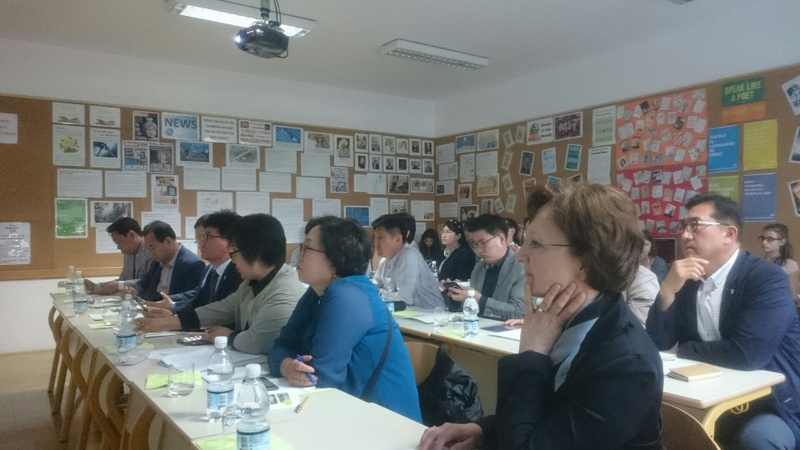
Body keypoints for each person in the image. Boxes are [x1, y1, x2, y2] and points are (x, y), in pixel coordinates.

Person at [420, 183, 663, 450]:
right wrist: (483, 431)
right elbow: (553, 419)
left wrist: (531, 353)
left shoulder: (627, 365)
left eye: (535, 244)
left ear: (585, 260)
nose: (521, 255)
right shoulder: (570, 319)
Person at [646, 192, 800, 449]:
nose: (685, 235)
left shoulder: (766, 278)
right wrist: (668, 290)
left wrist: (684, 350)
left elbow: (747, 355)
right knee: (646, 421)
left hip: (770, 401)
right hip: (705, 393)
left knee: (758, 440)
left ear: (729, 234)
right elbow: (658, 343)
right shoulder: (687, 278)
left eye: (695, 225)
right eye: (683, 226)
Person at [268, 217, 421, 421]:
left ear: (334, 261)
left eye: (307, 247)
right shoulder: (316, 292)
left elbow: (321, 377)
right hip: (345, 410)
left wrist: (288, 364)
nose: (299, 255)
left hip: (386, 422)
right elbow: (280, 346)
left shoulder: (347, 295)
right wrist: (286, 366)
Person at [136, 214, 306, 354]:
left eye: (234, 252)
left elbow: (257, 342)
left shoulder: (285, 290)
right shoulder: (251, 283)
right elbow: (221, 309)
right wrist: (165, 323)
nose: (233, 260)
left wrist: (228, 336)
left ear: (254, 252)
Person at [145, 211, 243, 314]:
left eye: (206, 237)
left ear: (228, 241)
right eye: (200, 238)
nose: (201, 244)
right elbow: (198, 300)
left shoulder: (238, 273)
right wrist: (171, 310)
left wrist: (172, 316)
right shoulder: (211, 269)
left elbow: (221, 313)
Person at [445, 214, 525, 321]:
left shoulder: (521, 267)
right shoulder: (479, 268)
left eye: (483, 243)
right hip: (480, 327)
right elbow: (471, 308)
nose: (479, 250)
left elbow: (519, 312)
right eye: (475, 244)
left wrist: (478, 299)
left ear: (501, 239)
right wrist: (455, 297)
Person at [371, 213, 443, 308]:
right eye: (375, 237)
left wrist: (381, 292)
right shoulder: (385, 261)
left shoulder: (410, 256)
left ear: (398, 239)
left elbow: (404, 299)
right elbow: (373, 286)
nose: (376, 242)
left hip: (432, 315)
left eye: (380, 237)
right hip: (407, 314)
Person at [128, 220, 205, 301]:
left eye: (152, 248)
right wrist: (134, 290)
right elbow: (143, 283)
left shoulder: (193, 264)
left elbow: (193, 298)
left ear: (168, 241)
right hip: (150, 304)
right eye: (148, 249)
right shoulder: (157, 262)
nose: (150, 253)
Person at [84, 217, 153, 295]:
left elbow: (149, 281)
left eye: (119, 242)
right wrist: (96, 286)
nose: (118, 247)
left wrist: (119, 285)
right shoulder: (128, 254)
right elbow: (122, 280)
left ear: (131, 234)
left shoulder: (151, 251)